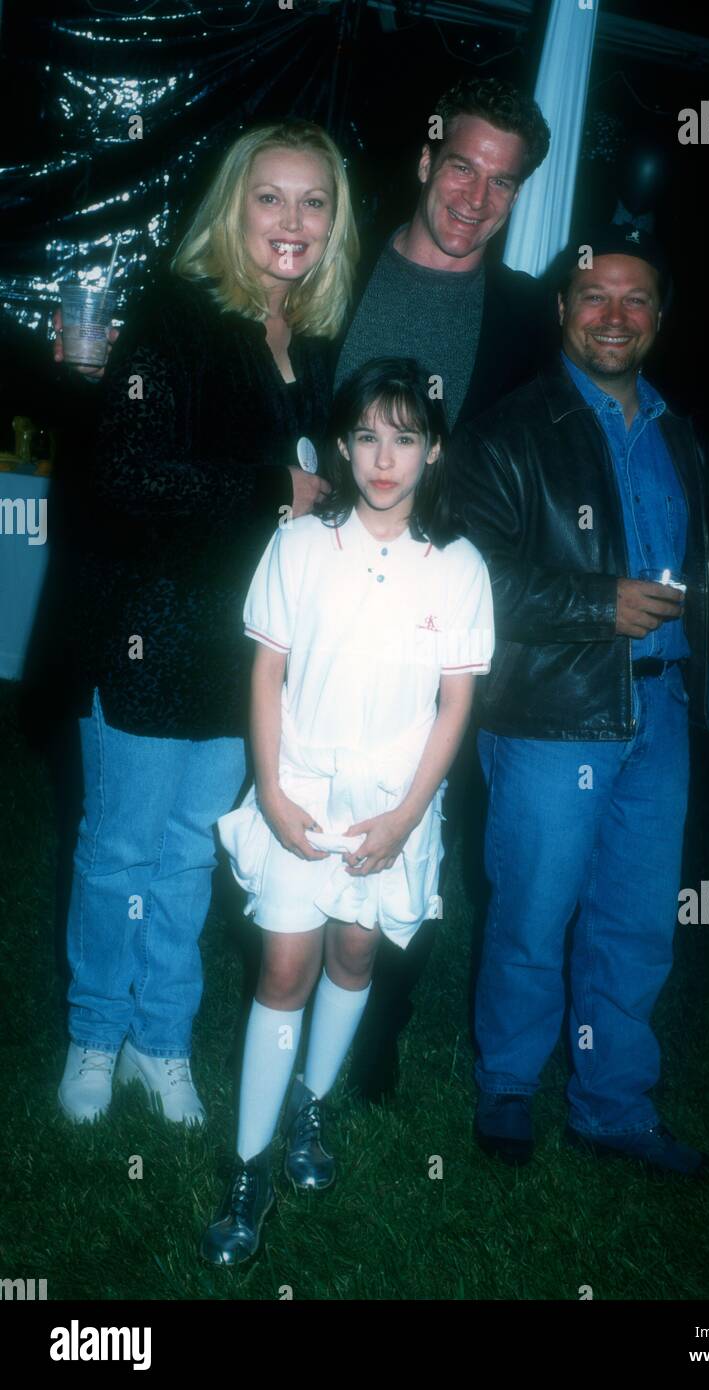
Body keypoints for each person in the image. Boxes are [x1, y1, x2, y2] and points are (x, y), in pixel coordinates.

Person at [56, 120, 358, 1127]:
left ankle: (162, 1042)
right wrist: (276, 486)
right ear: (234, 208)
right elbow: (128, 472)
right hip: (147, 634)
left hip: (244, 651)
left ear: (333, 221)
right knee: (119, 852)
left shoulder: (308, 341)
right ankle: (96, 1033)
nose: (291, 220)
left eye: (312, 201)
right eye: (269, 197)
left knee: (189, 854)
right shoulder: (175, 316)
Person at [447, 224, 709, 1174]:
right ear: (563, 309)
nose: (615, 315)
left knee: (638, 921)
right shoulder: (506, 432)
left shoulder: (681, 434)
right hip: (552, 713)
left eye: (636, 298)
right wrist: (595, 605)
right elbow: (472, 582)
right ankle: (510, 1087)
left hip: (661, 712)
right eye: (594, 296)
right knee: (534, 912)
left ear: (659, 318)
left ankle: (612, 1102)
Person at [199, 358, 494, 1266]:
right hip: (304, 789)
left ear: (433, 451)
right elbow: (267, 671)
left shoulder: (456, 566)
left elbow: (455, 704)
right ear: (342, 442)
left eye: (405, 438)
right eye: (367, 435)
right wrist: (275, 790)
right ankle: (247, 1172)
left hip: (391, 805)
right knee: (286, 962)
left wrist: (407, 819)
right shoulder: (297, 545)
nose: (383, 457)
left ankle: (310, 1106)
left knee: (355, 950)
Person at [336, 76, 555, 1100]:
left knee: (420, 825)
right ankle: (287, 989)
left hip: (441, 625)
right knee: (306, 799)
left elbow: (580, 423)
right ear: (426, 159)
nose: (474, 196)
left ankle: (376, 1032)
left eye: (501, 183)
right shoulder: (334, 269)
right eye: (461, 165)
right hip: (323, 598)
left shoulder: (522, 320)